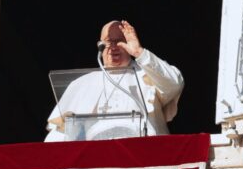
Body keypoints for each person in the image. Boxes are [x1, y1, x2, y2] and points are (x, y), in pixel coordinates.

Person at [44, 20, 184, 142]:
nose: (113, 47)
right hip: (96, 153)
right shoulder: (82, 83)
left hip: (144, 149)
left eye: (119, 41)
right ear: (100, 45)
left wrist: (139, 52)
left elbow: (174, 84)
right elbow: (61, 131)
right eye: (108, 42)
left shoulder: (148, 73)